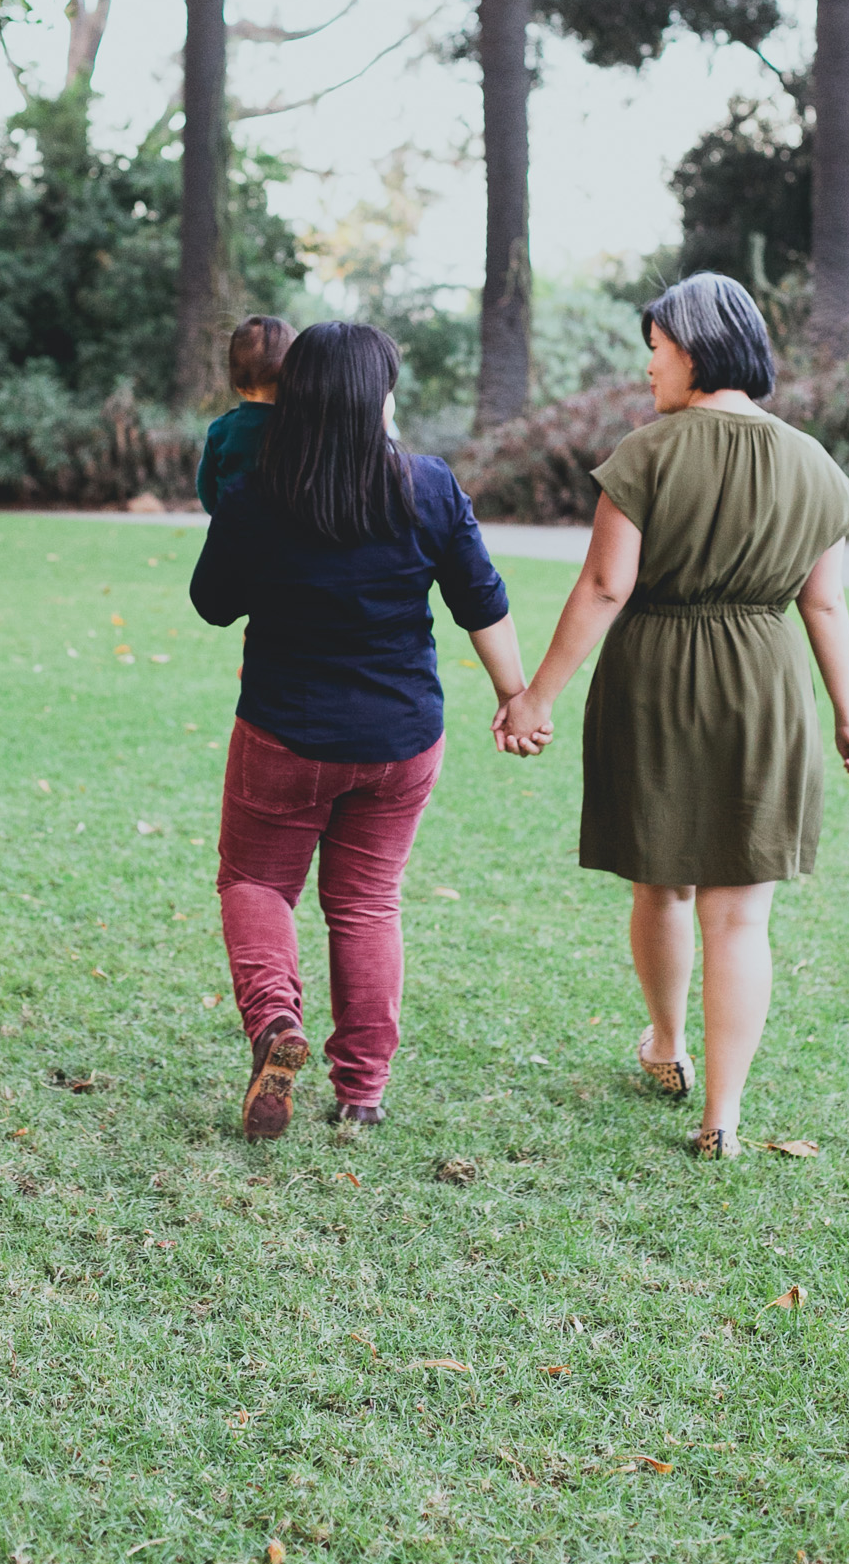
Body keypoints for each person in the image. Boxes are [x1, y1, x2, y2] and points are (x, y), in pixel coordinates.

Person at [495, 272, 849, 1160]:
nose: (650, 371)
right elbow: (824, 607)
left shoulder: (648, 453)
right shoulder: (815, 464)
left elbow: (605, 585)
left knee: (661, 881)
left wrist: (534, 697)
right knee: (743, 916)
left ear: (695, 350)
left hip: (656, 676)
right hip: (767, 684)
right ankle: (723, 1118)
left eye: (657, 351)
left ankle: (666, 1046)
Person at [190, 321, 526, 1142]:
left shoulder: (259, 491)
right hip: (401, 739)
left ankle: (275, 1021)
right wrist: (517, 695)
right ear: (380, 396)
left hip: (284, 733)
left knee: (256, 884)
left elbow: (211, 601)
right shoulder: (428, 485)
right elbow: (481, 600)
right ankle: (362, 1093)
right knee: (368, 904)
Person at [195, 314, 296, 515]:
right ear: (296, 377)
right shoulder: (300, 426)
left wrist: (222, 517)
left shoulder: (222, 429)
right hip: (286, 535)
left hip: (233, 533)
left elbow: (206, 487)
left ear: (239, 385)